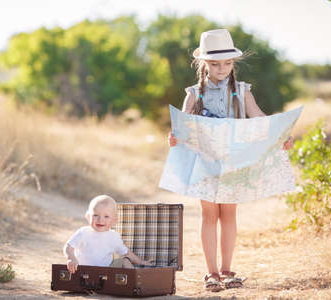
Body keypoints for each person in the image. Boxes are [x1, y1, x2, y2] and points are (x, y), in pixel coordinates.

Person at [168, 29, 294, 292]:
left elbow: (258, 117)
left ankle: (227, 269)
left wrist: (279, 134)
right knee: (208, 214)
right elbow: (182, 126)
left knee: (229, 213)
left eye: (227, 63)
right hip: (205, 161)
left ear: (233, 63)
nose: (222, 68)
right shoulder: (193, 93)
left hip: (234, 160)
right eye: (215, 63)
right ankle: (211, 272)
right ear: (204, 63)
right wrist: (174, 138)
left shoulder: (242, 91)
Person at [64, 195, 153, 273]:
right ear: (88, 217)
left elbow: (126, 253)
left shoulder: (114, 236)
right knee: (74, 267)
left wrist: (141, 262)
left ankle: (134, 280)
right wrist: (71, 258)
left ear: (114, 220)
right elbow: (68, 247)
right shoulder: (83, 232)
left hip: (107, 272)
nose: (100, 220)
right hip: (82, 270)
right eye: (95, 215)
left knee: (124, 260)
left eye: (106, 216)